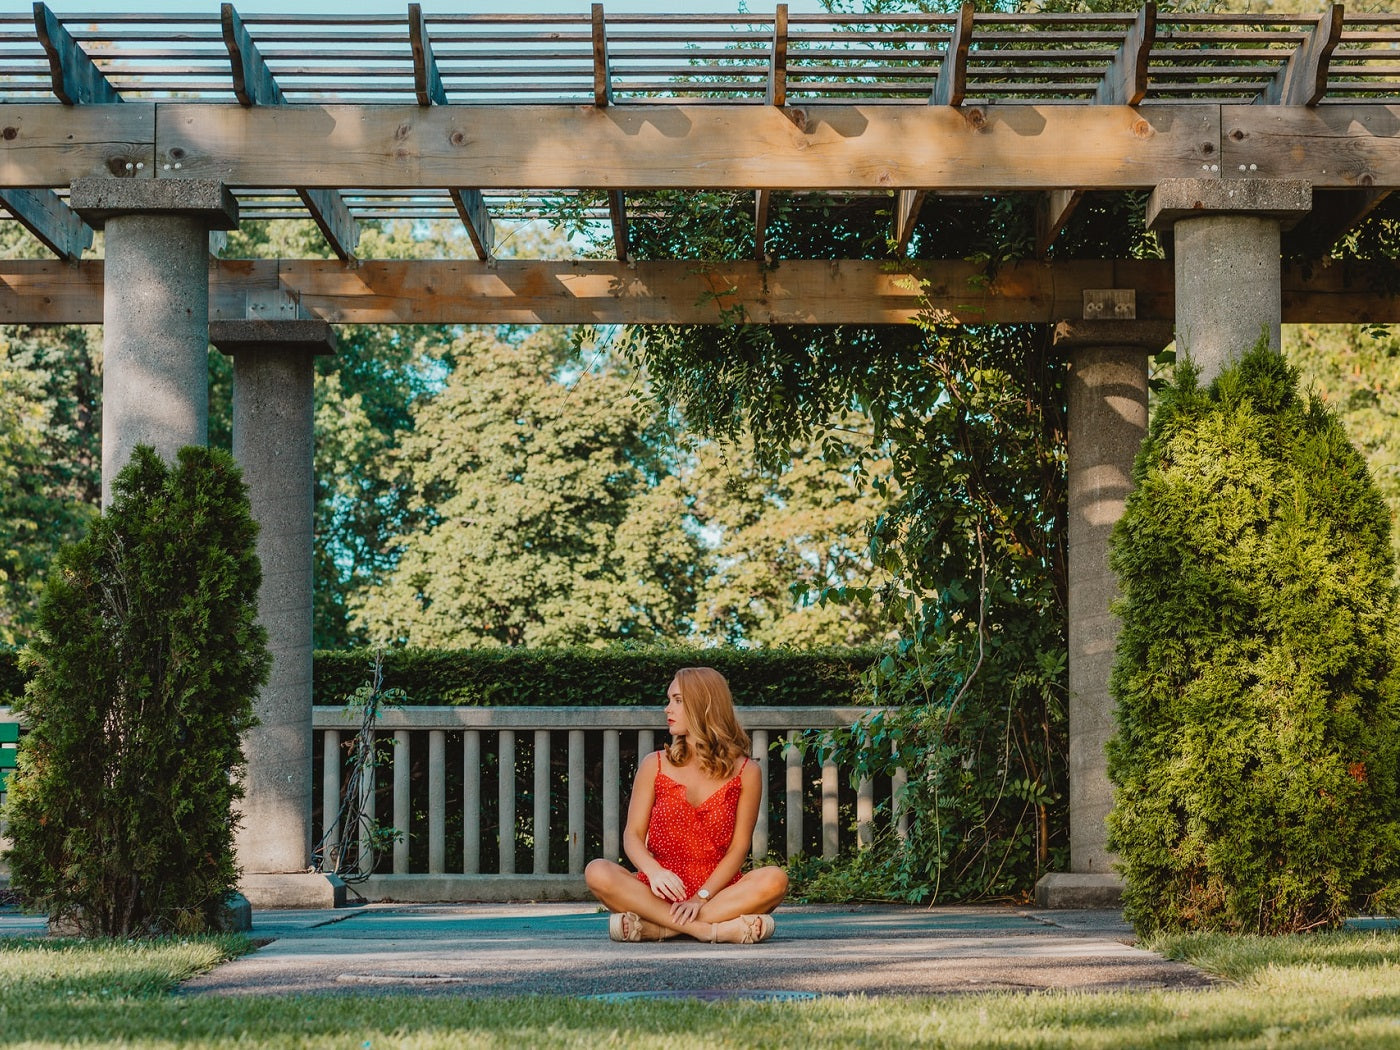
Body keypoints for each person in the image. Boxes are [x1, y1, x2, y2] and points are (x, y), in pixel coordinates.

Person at [584, 667, 788, 943]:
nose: (667, 708)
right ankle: (710, 930)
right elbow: (632, 836)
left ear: (705, 706)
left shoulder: (747, 771)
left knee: (775, 879)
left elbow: (739, 848)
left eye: (677, 700)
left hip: (717, 892)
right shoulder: (653, 764)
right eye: (669, 700)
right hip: (660, 890)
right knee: (597, 871)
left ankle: (658, 927)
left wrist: (701, 897)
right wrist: (654, 872)